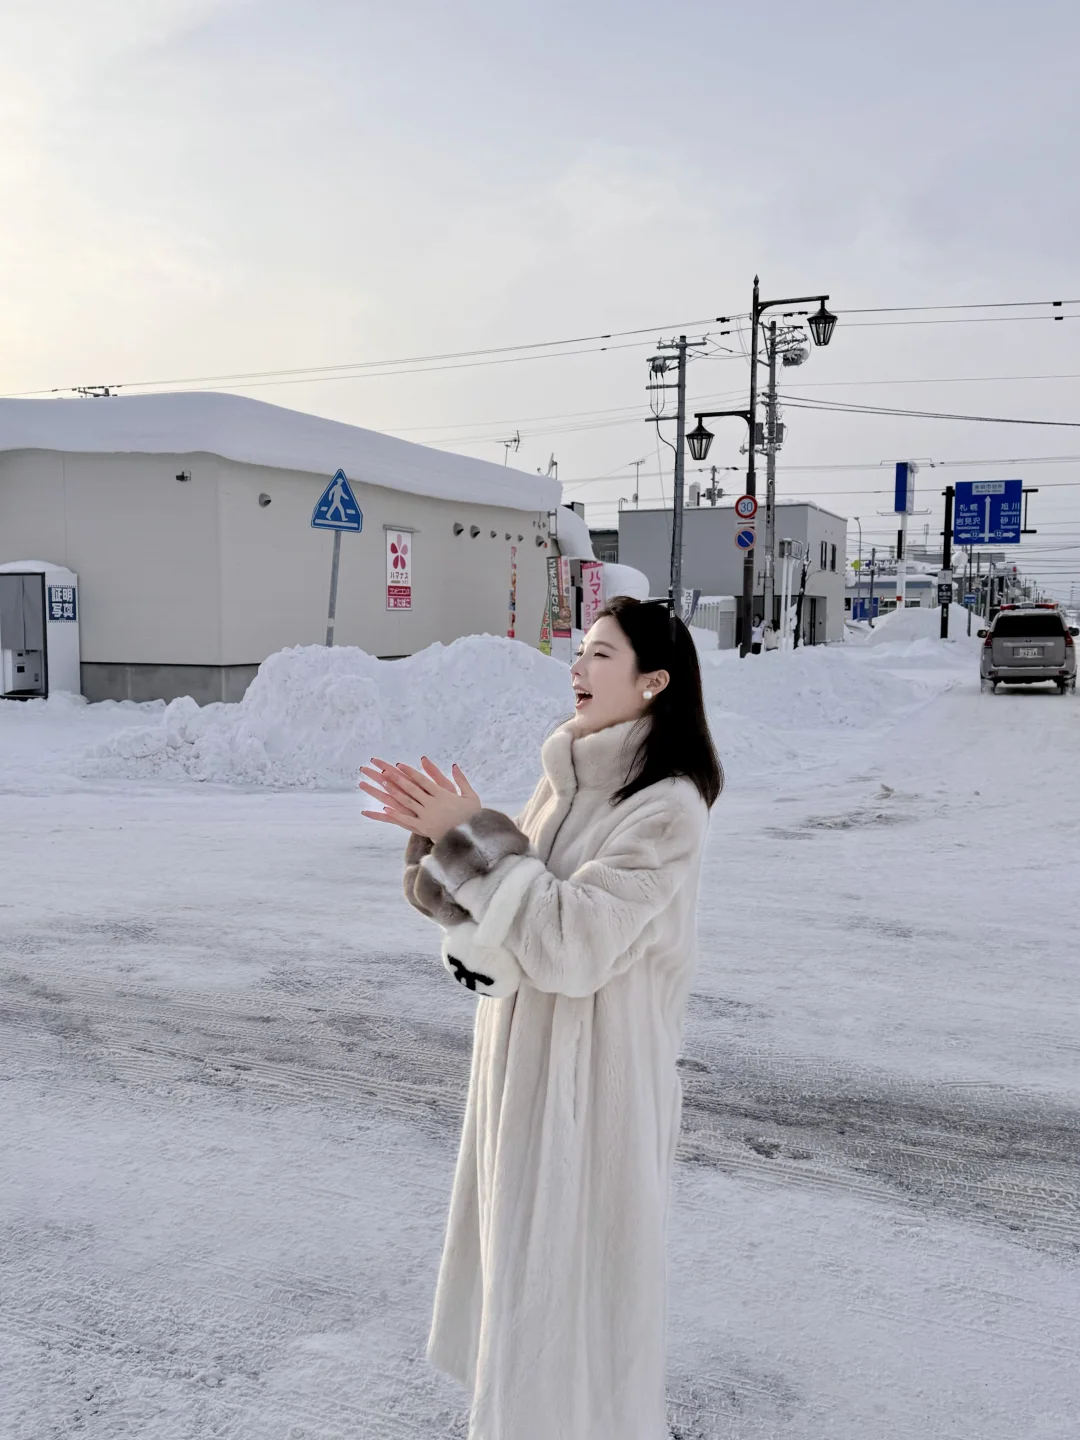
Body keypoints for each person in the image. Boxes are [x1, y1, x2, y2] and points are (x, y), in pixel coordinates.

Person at [358, 597, 723, 1440]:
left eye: (600, 654)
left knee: (575, 1306)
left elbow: (572, 943)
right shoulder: (564, 779)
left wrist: (472, 839)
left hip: (596, 1091)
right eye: (579, 650)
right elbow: (506, 919)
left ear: (654, 681)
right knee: (522, 1290)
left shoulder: (666, 808)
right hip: (523, 1073)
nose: (578, 667)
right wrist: (443, 846)